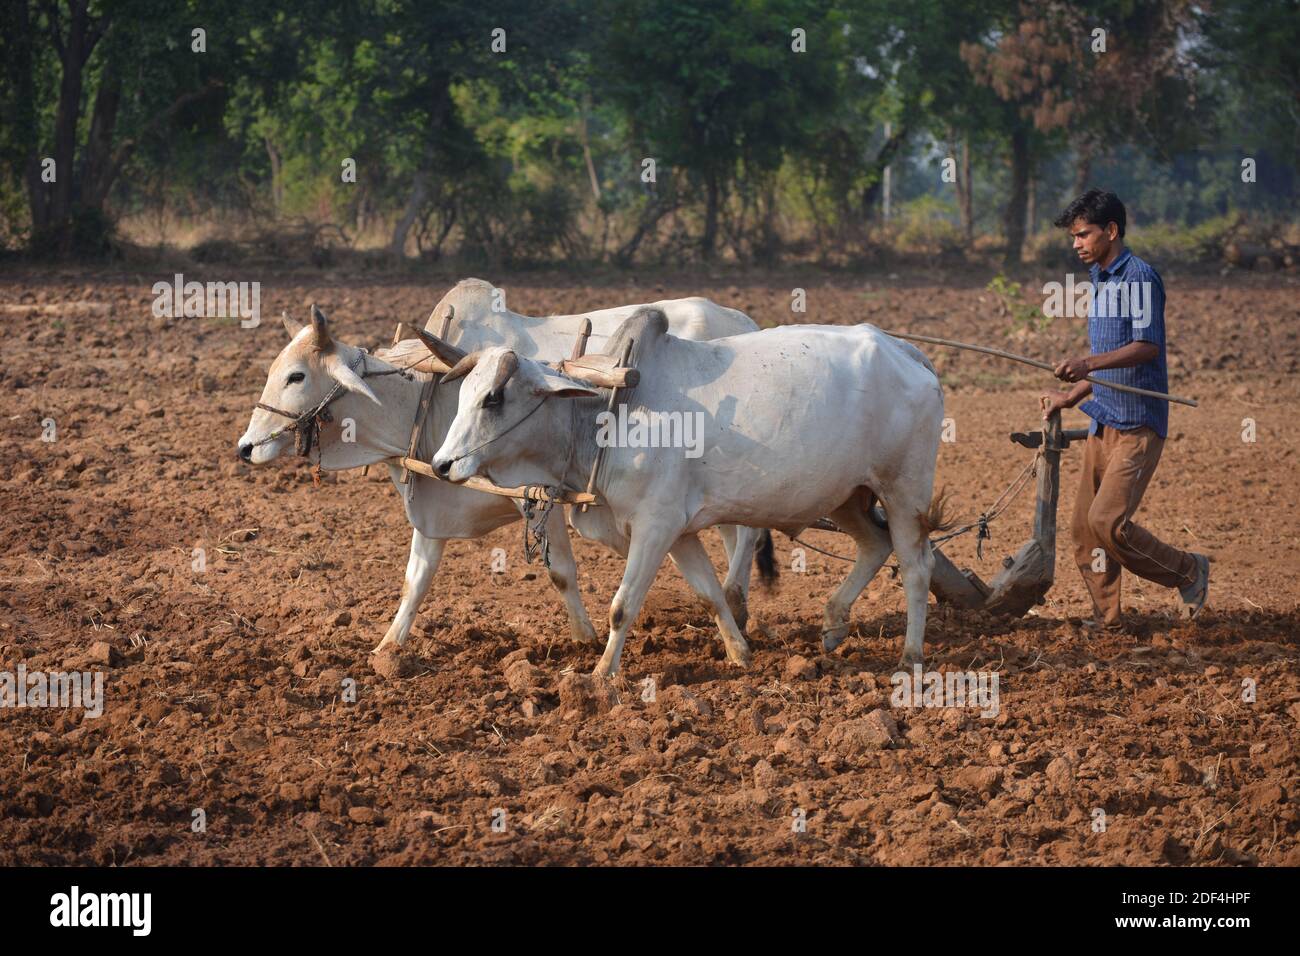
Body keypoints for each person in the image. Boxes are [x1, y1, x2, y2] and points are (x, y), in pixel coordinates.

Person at [1042, 189, 1209, 629]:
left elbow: (1146, 346)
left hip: (1137, 424)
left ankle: (1188, 570)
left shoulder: (1139, 278)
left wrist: (1087, 364)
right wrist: (1073, 394)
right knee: (1083, 529)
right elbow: (1108, 350)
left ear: (1111, 231)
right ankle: (1108, 618)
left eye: (1083, 234)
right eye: (1073, 236)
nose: (1076, 244)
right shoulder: (1100, 277)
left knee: (1108, 522)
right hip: (1103, 418)